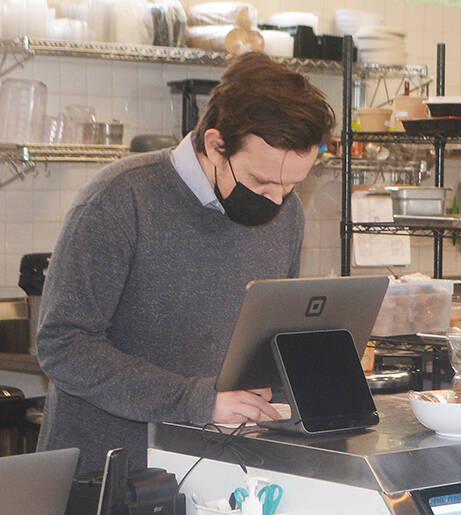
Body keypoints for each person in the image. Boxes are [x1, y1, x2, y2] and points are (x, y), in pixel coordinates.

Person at [35, 53, 333, 473]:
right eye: (261, 182)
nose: (276, 200)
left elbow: (268, 341)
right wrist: (197, 401)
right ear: (215, 144)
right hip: (109, 477)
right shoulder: (119, 200)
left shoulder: (286, 214)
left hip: (219, 469)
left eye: (291, 185)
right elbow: (63, 345)